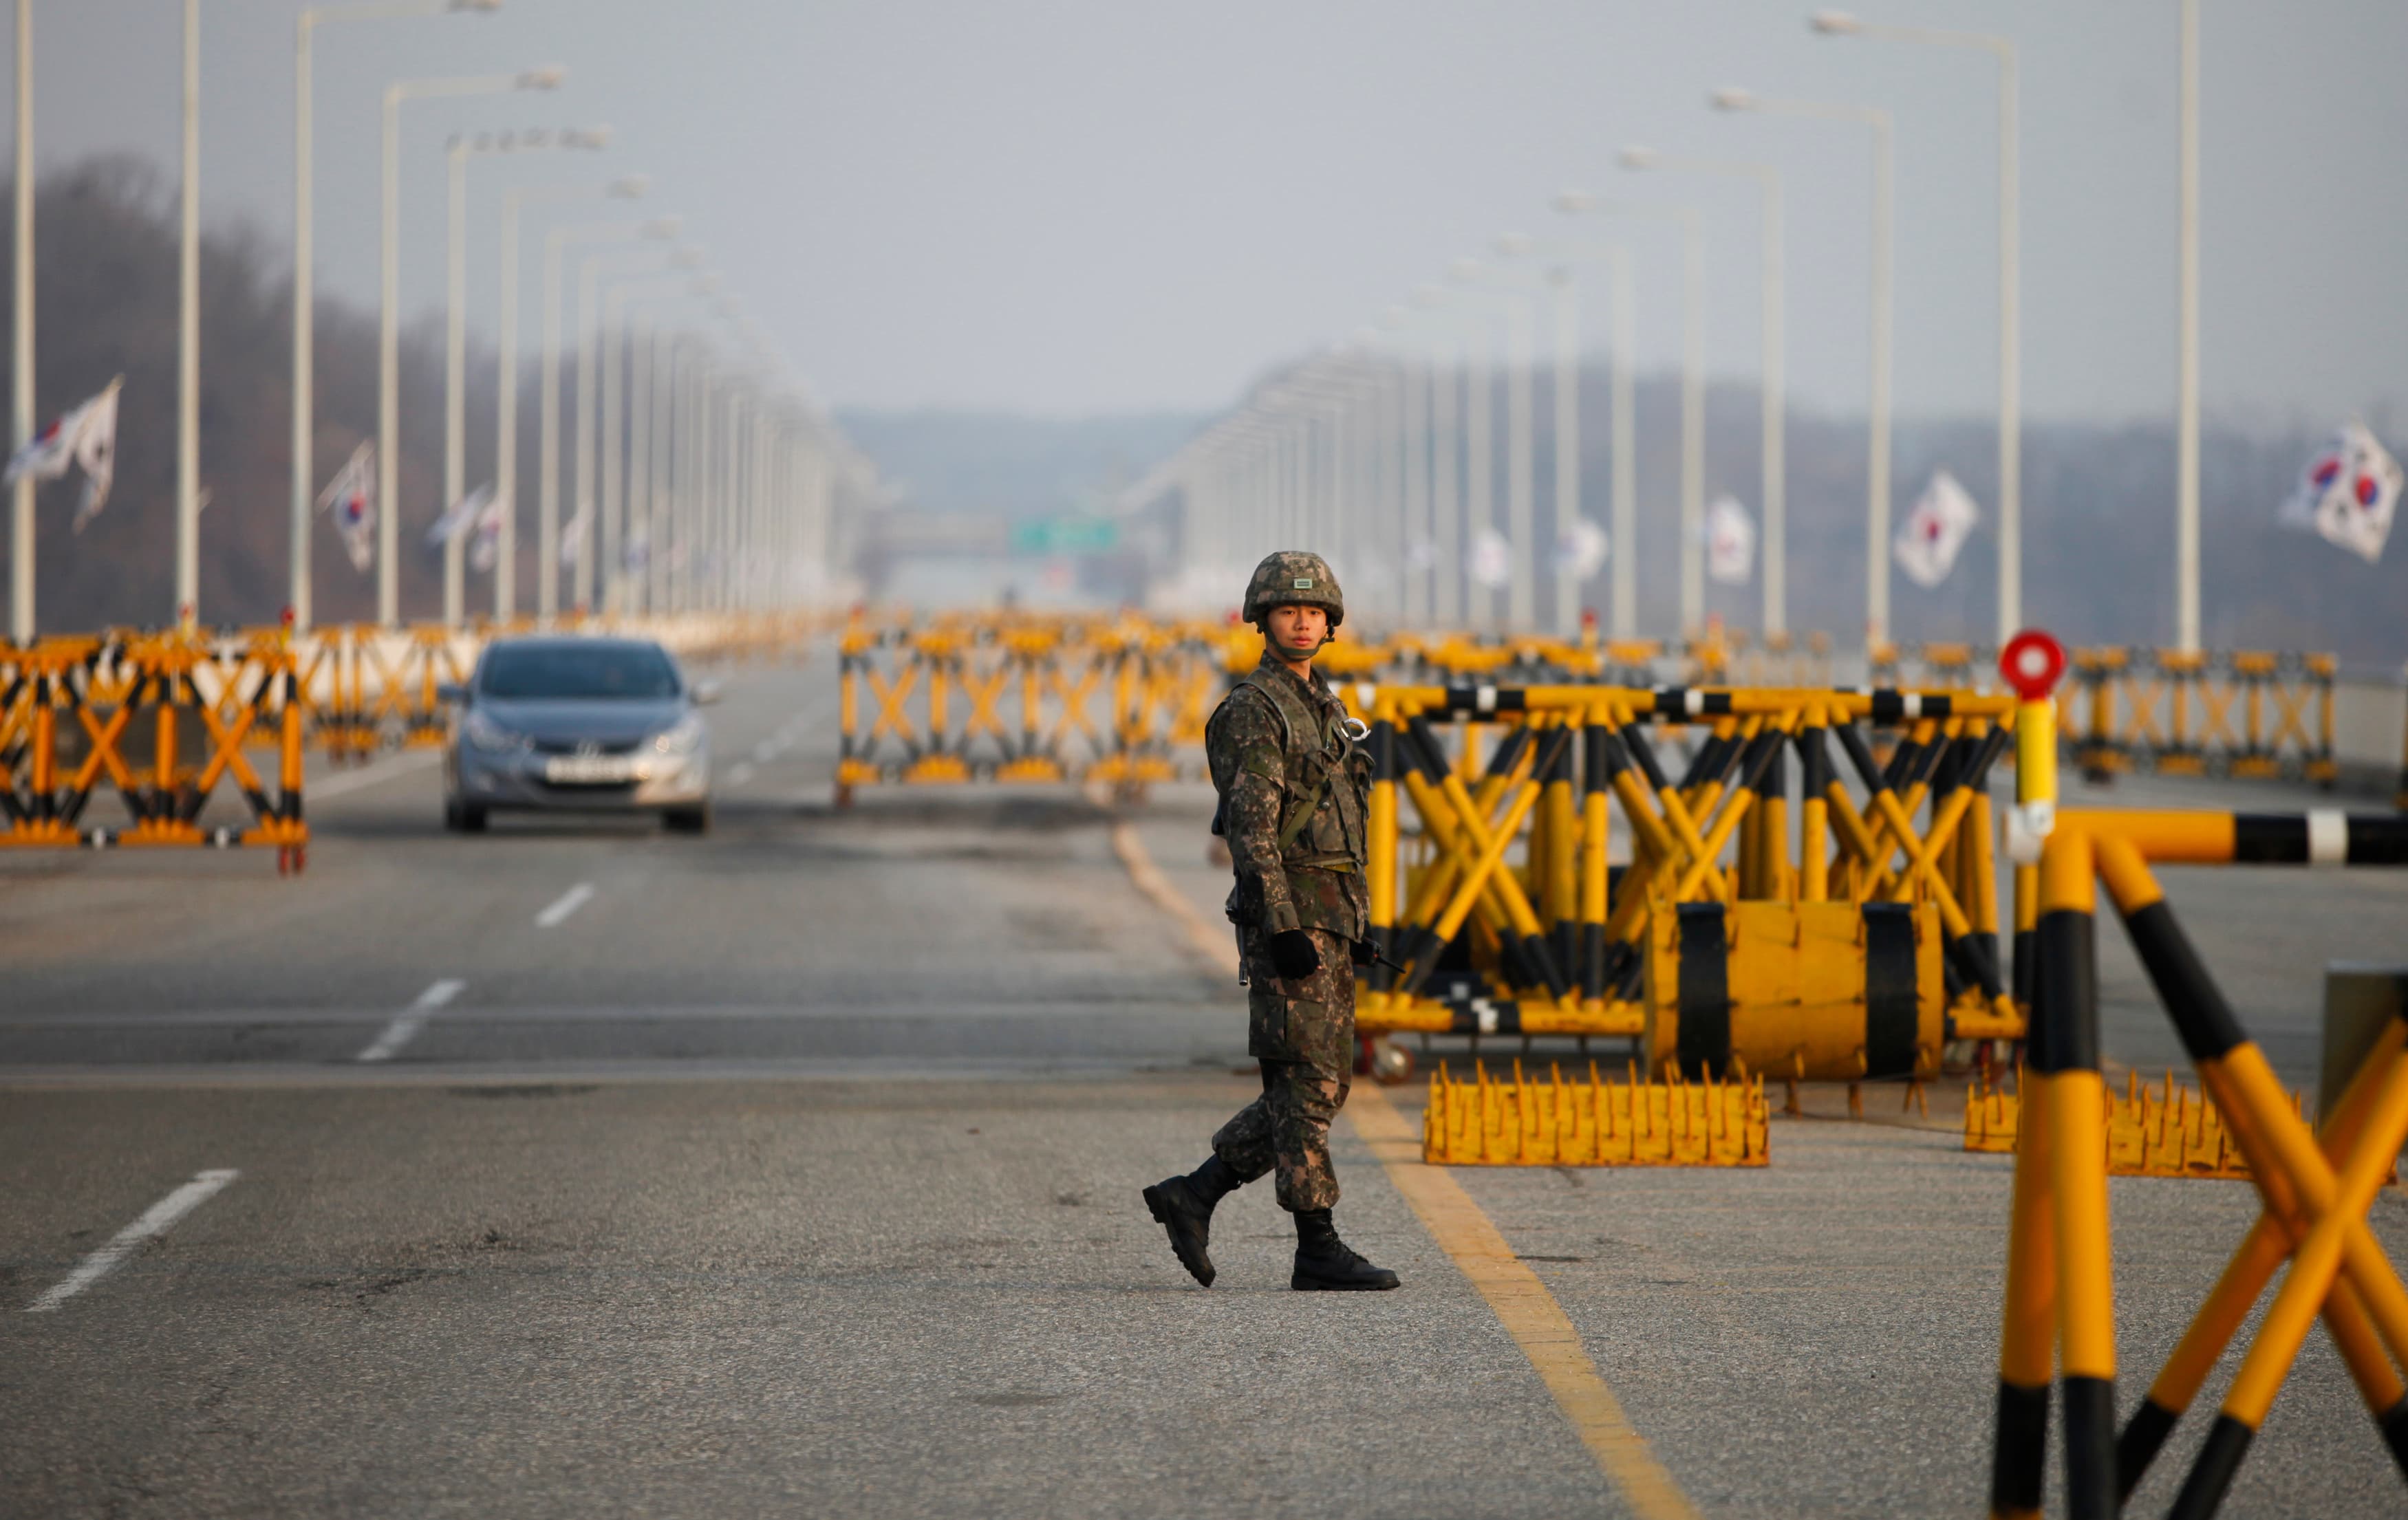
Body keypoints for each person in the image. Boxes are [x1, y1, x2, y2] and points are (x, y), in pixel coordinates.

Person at [1143, 552, 1401, 1292]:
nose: (1302, 620)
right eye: (1288, 610)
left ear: (1329, 623)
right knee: (1308, 1085)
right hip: (1288, 918)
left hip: (1328, 917)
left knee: (1314, 1082)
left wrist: (1355, 922)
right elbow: (1253, 831)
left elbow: (1337, 824)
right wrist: (1283, 925)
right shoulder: (1253, 710)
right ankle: (1316, 1245)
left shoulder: (1323, 704)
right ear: (1262, 618)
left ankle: (1192, 1194)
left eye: (1314, 611)